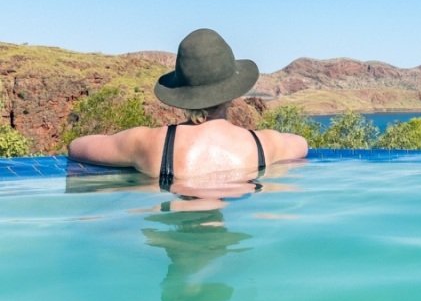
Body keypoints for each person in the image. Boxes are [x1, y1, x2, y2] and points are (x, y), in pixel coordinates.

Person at [68, 28, 308, 190]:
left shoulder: (147, 143)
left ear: (181, 91)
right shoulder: (264, 145)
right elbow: (302, 144)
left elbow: (77, 147)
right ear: (232, 91)